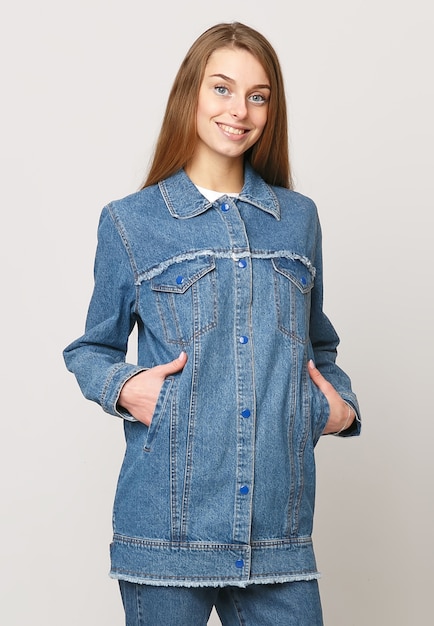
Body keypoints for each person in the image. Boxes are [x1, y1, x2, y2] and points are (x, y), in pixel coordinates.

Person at [63, 21, 360, 626]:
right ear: (191, 95)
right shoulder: (131, 221)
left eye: (258, 96)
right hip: (166, 533)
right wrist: (125, 388)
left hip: (278, 533)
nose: (240, 111)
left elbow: (318, 344)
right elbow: (91, 348)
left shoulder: (297, 219)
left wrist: (338, 407)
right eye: (222, 89)